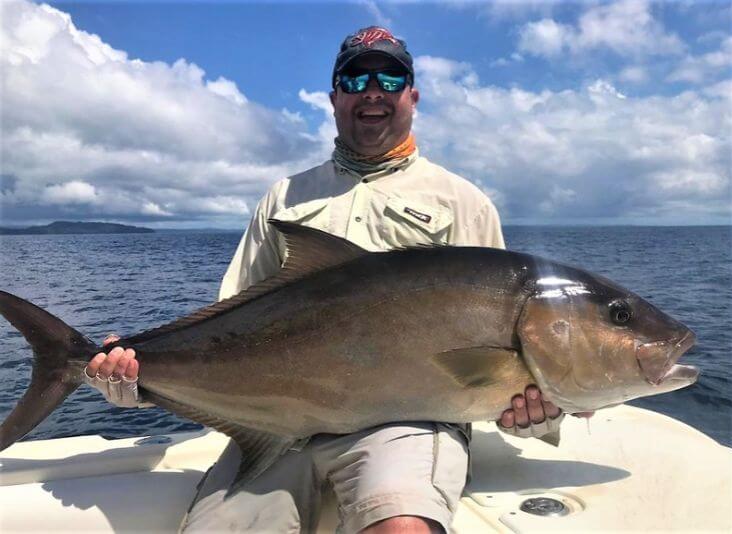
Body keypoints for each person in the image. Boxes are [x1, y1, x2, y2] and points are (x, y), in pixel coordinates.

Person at [84, 26, 588, 533]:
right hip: (277, 425)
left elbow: (498, 372)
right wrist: (141, 379)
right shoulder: (285, 198)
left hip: (406, 425)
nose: (373, 90)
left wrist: (541, 410)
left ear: (412, 96)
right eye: (355, 79)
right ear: (334, 98)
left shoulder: (462, 202)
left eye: (390, 79)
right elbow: (227, 331)